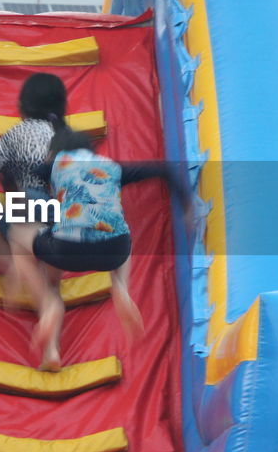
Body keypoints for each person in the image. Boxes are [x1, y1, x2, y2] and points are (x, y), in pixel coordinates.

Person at [10, 129, 191, 371]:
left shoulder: (54, 165)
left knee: (20, 238)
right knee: (122, 234)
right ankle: (121, 287)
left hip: (66, 249)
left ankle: (49, 312)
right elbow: (164, 170)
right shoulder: (113, 167)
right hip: (113, 252)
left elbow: (15, 172)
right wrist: (188, 207)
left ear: (55, 152)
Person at [0, 73, 69, 277]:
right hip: (58, 214)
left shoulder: (15, 134)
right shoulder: (65, 136)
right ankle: (46, 269)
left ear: (21, 105)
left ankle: (17, 268)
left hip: (25, 205)